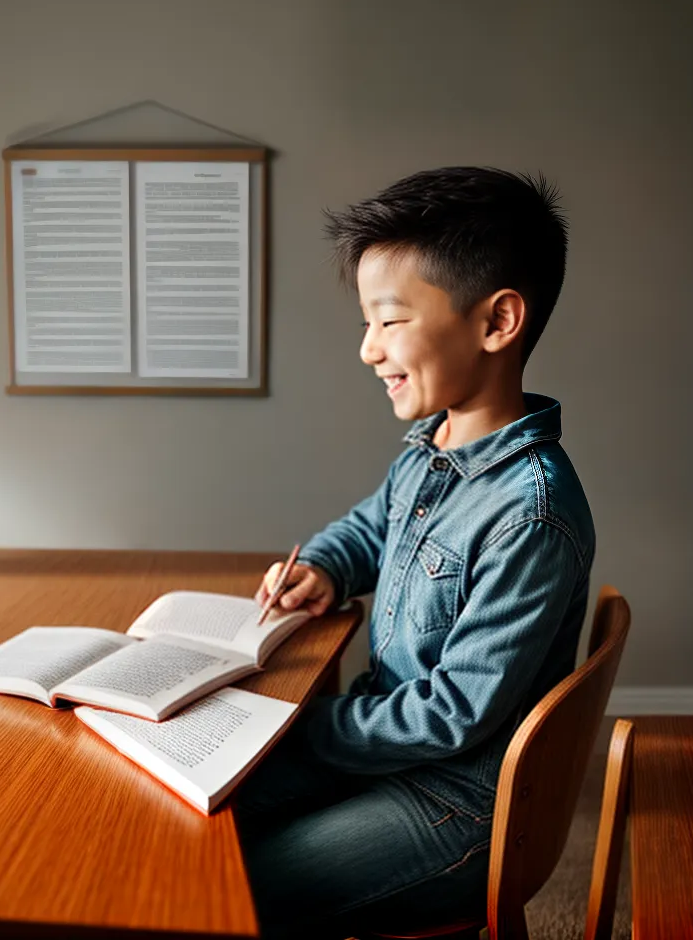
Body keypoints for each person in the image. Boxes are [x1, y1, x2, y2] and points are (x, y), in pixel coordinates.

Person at [233, 166, 595, 938]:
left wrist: (298, 724)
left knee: (226, 884)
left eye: (389, 322)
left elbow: (452, 713)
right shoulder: (434, 448)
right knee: (191, 813)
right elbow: (373, 527)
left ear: (497, 322)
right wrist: (325, 564)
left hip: (453, 804)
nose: (369, 350)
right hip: (386, 749)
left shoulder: (531, 516)